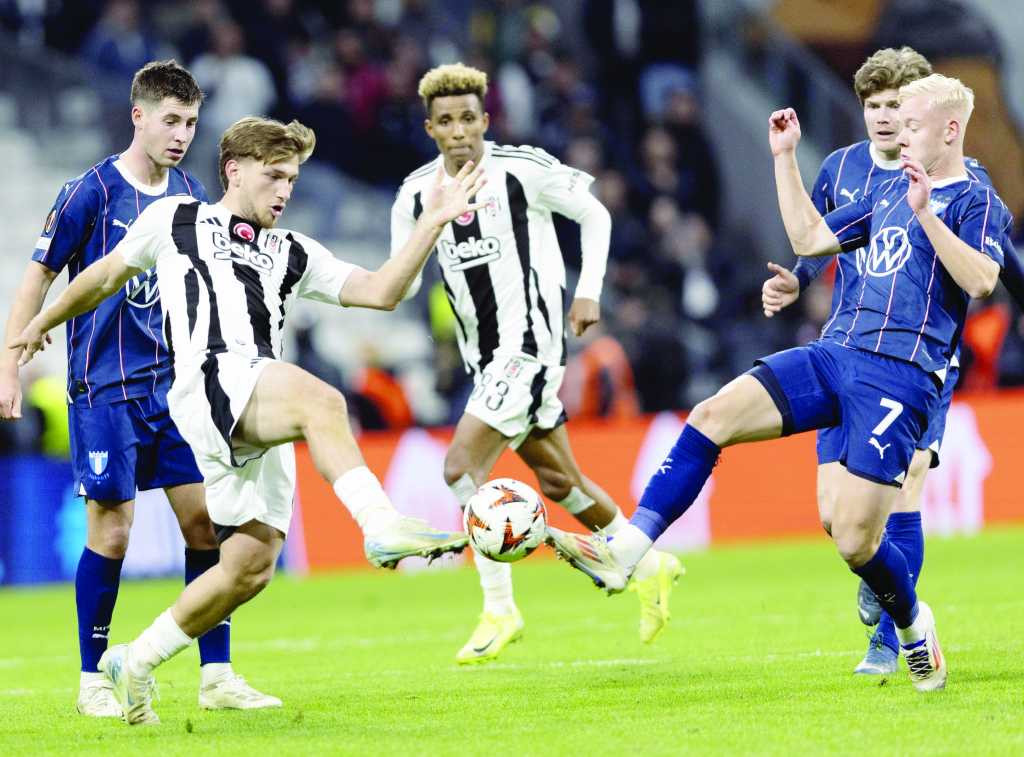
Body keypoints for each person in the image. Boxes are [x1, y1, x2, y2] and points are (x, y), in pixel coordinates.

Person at [547, 74, 1013, 694]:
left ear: (950, 131)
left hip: (900, 376)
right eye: (896, 125)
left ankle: (910, 625)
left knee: (856, 541)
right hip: (835, 353)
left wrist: (926, 212)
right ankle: (627, 549)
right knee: (712, 414)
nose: (900, 137)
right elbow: (809, 239)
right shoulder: (887, 189)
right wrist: (785, 158)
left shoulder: (976, 199)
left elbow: (981, 280)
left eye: (913, 126)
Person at [11, 115, 479, 724]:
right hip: (212, 379)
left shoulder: (292, 251)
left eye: (293, 180)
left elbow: (383, 291)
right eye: (274, 175)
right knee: (323, 402)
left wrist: (431, 222)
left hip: (257, 396)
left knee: (249, 566)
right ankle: (380, 524)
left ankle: (136, 660)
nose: (284, 191)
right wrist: (40, 324)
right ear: (234, 170)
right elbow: (103, 277)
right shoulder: (177, 219)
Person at [0, 59, 282, 716]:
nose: (181, 135)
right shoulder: (90, 191)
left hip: (176, 390)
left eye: (191, 123)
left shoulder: (190, 193)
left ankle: (217, 675)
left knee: (206, 523)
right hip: (104, 389)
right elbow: (40, 273)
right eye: (170, 120)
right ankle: (91, 679)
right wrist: (10, 361)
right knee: (114, 532)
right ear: (139, 116)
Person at [390, 63, 682, 665]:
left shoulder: (521, 169)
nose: (459, 130)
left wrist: (588, 291)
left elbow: (596, 214)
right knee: (560, 483)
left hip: (529, 347)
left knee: (460, 467)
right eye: (446, 121)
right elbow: (403, 278)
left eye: (468, 118)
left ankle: (500, 608)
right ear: (430, 129)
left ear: (485, 120)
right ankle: (648, 563)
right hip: (482, 359)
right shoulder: (416, 194)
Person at [760, 48, 1024, 676]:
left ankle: (890, 638)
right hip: (844, 350)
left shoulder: (961, 180)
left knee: (905, 491)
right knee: (836, 517)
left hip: (919, 361)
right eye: (874, 107)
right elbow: (819, 238)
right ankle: (877, 573)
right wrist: (798, 279)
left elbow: (999, 264)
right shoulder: (841, 168)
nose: (885, 119)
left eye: (897, 108)